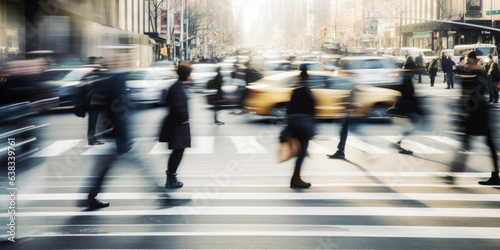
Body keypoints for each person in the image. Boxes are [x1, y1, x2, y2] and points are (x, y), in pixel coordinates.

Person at [447, 51, 500, 185]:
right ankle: (453, 174)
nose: (467, 65)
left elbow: (480, 92)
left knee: (489, 145)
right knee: (465, 144)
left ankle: (495, 176)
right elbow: (463, 97)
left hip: (481, 115)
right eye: (466, 63)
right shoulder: (468, 76)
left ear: (475, 63)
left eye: (470, 63)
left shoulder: (479, 76)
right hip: (472, 117)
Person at [159, 63, 192, 189]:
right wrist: (184, 120)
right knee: (178, 151)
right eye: (190, 74)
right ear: (186, 75)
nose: (191, 77)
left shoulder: (178, 86)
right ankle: (171, 178)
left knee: (178, 151)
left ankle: (171, 177)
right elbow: (178, 106)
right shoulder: (177, 87)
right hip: (177, 126)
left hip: (176, 124)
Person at [286, 65, 316, 188]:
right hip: (303, 126)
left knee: (301, 151)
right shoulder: (306, 91)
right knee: (302, 151)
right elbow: (311, 111)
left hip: (296, 124)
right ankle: (295, 178)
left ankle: (296, 177)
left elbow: (289, 110)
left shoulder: (296, 90)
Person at [388, 68, 425, 154]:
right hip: (408, 109)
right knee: (410, 128)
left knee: (409, 128)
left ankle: (399, 142)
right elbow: (411, 95)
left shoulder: (402, 85)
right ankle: (400, 143)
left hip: (404, 109)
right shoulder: (408, 86)